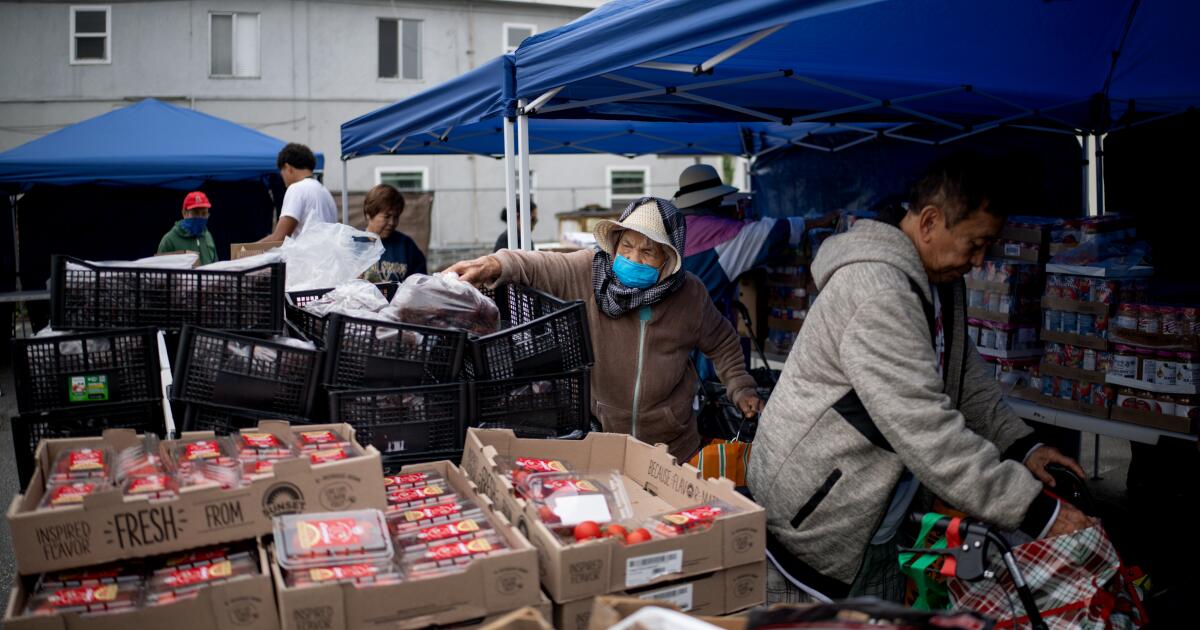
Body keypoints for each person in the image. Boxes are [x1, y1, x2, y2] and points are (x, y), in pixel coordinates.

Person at [747, 153, 1091, 603]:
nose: (979, 260)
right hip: (816, 519)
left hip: (875, 516)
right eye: (975, 244)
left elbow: (962, 374)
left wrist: (1022, 445)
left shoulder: (937, 281)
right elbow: (925, 428)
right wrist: (1035, 510)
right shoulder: (878, 291)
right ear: (929, 222)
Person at [449, 197, 765, 462]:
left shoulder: (690, 295)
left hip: (672, 447)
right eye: (626, 246)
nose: (632, 258)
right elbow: (540, 264)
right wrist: (494, 264)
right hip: (605, 442)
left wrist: (741, 387)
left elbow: (722, 342)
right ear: (615, 244)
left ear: (667, 260)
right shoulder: (589, 271)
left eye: (647, 252)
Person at [259, 143, 337, 242]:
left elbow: (279, 239)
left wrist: (246, 249)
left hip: (307, 252)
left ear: (288, 168)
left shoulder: (296, 188)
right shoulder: (325, 191)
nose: (282, 177)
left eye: (282, 173)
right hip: (327, 251)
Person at [361, 184, 427, 282]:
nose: (392, 223)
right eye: (386, 217)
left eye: (396, 217)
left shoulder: (406, 246)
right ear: (369, 214)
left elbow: (421, 283)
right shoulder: (353, 244)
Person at [158, 191, 217, 264]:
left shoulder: (208, 236)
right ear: (184, 213)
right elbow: (158, 269)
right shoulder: (169, 240)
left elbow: (215, 266)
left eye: (204, 213)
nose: (200, 217)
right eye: (195, 213)